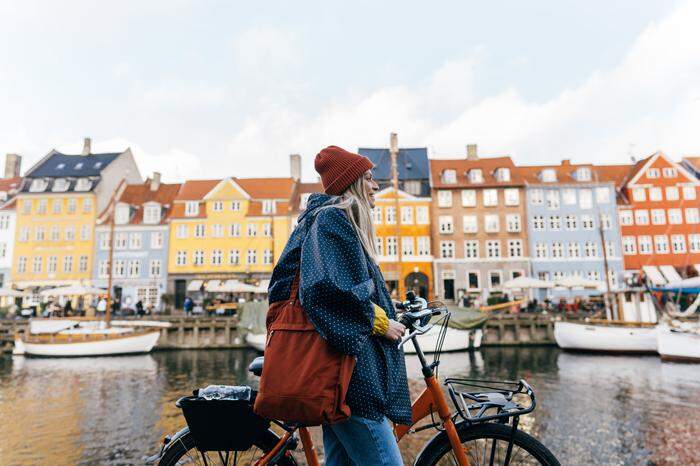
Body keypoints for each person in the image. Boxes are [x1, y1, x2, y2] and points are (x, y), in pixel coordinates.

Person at [268, 146, 410, 466]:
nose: (375, 186)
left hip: (342, 378)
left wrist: (389, 306)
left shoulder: (331, 220)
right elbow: (325, 288)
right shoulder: (333, 218)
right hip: (350, 379)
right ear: (354, 183)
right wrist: (381, 322)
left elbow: (343, 283)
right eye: (370, 178)